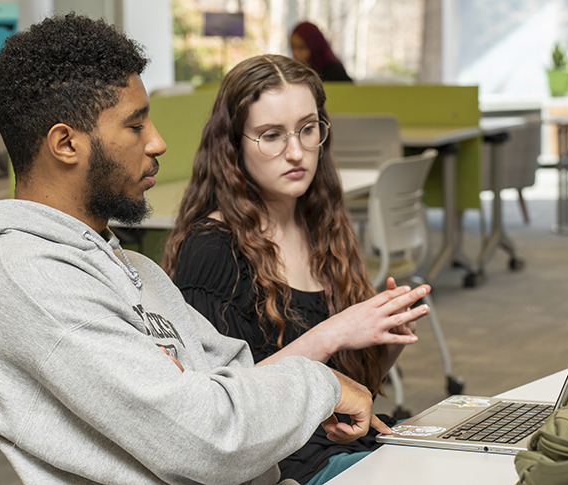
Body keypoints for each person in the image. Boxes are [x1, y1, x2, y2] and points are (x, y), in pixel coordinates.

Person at [0, 14, 425, 485]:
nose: (159, 142)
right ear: (66, 144)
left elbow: (242, 379)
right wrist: (326, 386)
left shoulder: (131, 268)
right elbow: (210, 435)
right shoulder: (26, 278)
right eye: (136, 124)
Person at [161, 54, 429, 484]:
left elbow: (349, 395)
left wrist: (383, 344)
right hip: (295, 468)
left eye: (308, 129)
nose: (296, 151)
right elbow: (216, 410)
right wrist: (334, 333)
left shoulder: (321, 223)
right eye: (271, 135)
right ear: (232, 145)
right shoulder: (211, 249)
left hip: (354, 445)